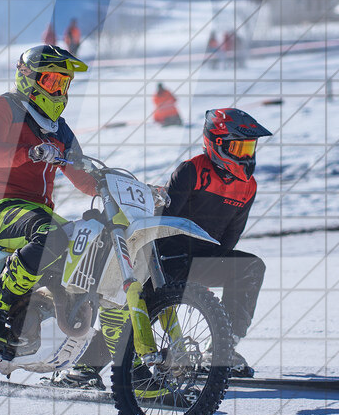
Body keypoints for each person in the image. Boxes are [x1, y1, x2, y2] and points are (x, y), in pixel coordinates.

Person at [52, 107, 273, 389]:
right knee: (135, 312)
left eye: (249, 147)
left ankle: (222, 349)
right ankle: (82, 370)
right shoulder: (192, 170)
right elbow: (161, 222)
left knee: (250, 267)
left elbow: (230, 240)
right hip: (163, 259)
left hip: (199, 261)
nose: (246, 155)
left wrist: (213, 272)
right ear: (217, 143)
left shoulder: (248, 187)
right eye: (239, 147)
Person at [0, 44, 99, 346]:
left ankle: (84, 346)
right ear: (28, 77)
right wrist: (29, 152)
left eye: (63, 84)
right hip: (2, 207)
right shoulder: (3, 107)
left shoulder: (60, 129)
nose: (58, 92)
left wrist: (115, 187)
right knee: (52, 235)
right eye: (51, 81)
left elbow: (82, 177)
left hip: (40, 211)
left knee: (91, 243)